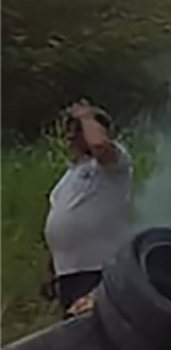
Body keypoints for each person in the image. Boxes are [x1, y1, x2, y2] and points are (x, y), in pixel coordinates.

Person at [42, 102, 134, 318]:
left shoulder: (113, 165)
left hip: (99, 270)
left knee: (98, 326)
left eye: (78, 130)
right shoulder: (71, 175)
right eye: (70, 131)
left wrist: (85, 115)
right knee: (76, 329)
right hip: (69, 273)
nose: (70, 137)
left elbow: (100, 146)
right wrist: (53, 270)